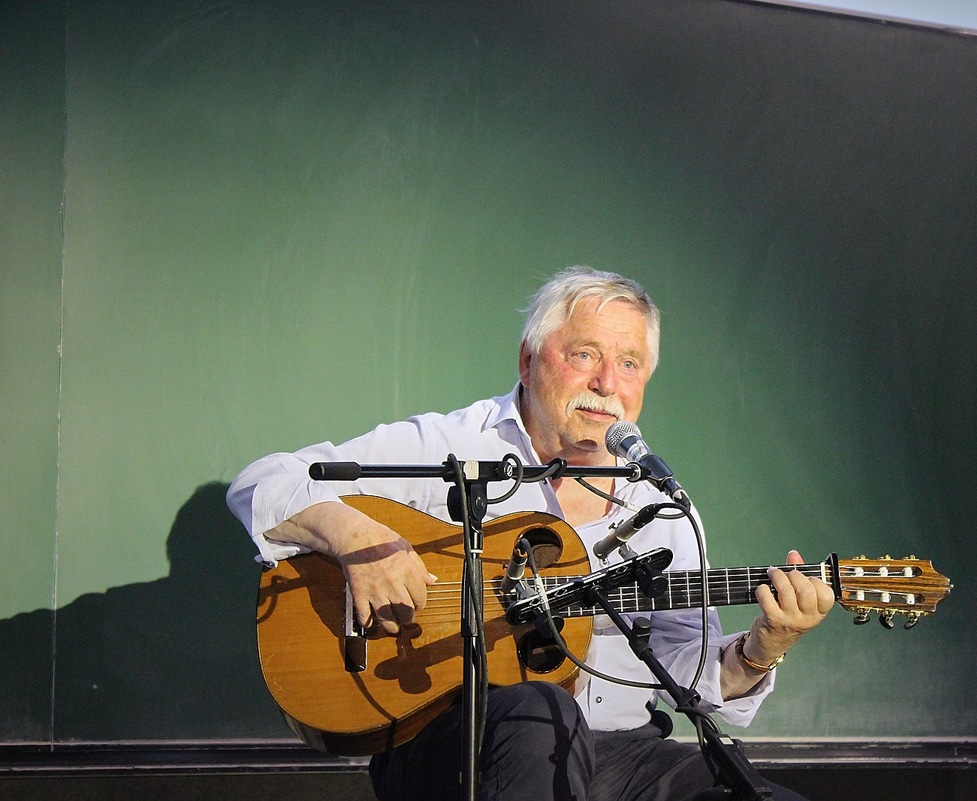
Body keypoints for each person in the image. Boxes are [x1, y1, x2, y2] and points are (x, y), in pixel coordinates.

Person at [227, 266, 834, 800]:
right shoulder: (453, 446)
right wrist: (362, 542)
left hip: (619, 756)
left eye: (629, 365)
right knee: (544, 711)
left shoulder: (663, 506)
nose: (607, 385)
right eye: (584, 355)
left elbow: (690, 675)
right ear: (527, 359)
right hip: (459, 747)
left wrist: (764, 647)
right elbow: (264, 482)